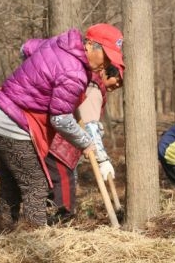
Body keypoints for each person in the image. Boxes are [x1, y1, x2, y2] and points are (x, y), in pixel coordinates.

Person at [0, 23, 124, 228]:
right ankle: (35, 244)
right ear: (92, 45)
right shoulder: (74, 72)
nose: (106, 65)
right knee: (36, 186)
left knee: (11, 186)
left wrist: (38, 78)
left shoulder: (60, 44)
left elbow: (27, 47)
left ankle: (3, 234)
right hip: (13, 123)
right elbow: (61, 119)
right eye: (107, 57)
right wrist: (86, 143)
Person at [46, 59, 123, 223]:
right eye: (116, 82)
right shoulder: (94, 90)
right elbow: (90, 127)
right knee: (64, 184)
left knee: (53, 183)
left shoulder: (91, 85)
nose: (116, 87)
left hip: (56, 141)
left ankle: (51, 219)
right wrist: (103, 160)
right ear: (104, 72)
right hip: (59, 145)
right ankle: (61, 223)